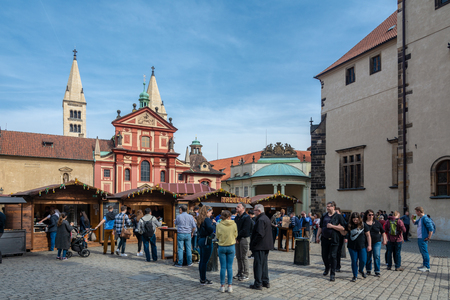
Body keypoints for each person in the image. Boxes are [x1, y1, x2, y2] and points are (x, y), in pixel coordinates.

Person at [316, 201, 346, 281]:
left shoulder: (338, 216)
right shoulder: (324, 215)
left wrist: (333, 226)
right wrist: (317, 236)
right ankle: (327, 267)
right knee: (324, 255)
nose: (327, 208)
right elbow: (321, 227)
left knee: (333, 256)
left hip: (334, 239)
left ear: (333, 207)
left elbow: (343, 228)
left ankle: (332, 274)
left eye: (329, 206)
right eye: (327, 206)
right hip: (325, 239)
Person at [249, 204, 272, 290]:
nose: (253, 212)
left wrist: (253, 243)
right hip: (265, 245)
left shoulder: (261, 219)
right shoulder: (265, 218)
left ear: (259, 211)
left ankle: (258, 283)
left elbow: (259, 234)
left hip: (260, 246)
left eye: (254, 210)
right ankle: (265, 281)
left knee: (258, 264)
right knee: (264, 264)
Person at [343, 212, 371, 282]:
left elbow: (368, 235)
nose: (355, 221)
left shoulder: (363, 225)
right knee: (354, 261)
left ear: (359, 218)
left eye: (356, 219)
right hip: (352, 246)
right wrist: (338, 228)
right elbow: (344, 233)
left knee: (363, 260)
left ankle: (361, 270)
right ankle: (355, 275)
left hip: (362, 246)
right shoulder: (349, 225)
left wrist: (369, 245)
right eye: (354, 220)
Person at [216, 210, 238, 293]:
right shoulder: (234, 224)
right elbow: (236, 235)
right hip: (231, 246)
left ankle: (222, 286)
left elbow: (217, 236)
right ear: (229, 216)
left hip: (222, 246)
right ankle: (230, 286)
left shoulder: (219, 225)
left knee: (222, 267)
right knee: (229, 267)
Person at [363, 209, 387, 277]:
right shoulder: (363, 223)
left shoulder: (377, 223)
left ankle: (377, 271)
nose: (371, 216)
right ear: (366, 215)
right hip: (366, 242)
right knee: (368, 256)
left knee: (377, 256)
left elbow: (383, 232)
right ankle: (368, 270)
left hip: (377, 241)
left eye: (372, 214)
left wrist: (384, 240)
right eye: (369, 215)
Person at [412, 206, 434, 272]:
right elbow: (415, 222)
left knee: (425, 252)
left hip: (423, 238)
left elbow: (431, 228)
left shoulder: (425, 218)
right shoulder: (421, 218)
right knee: (422, 252)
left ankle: (427, 267)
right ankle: (424, 265)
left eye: (416, 211)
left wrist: (429, 237)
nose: (415, 213)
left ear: (419, 211)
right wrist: (413, 218)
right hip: (420, 238)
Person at [234, 202, 253, 282]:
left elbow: (245, 230)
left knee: (244, 256)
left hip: (244, 238)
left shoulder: (246, 217)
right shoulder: (237, 217)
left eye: (238, 207)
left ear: (243, 208)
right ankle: (240, 272)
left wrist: (238, 237)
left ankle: (246, 273)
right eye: (237, 207)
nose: (236, 208)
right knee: (238, 256)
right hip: (237, 239)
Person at [197, 205, 216, 285]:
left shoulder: (199, 218)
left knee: (202, 261)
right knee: (205, 261)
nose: (211, 213)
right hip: (206, 241)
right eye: (211, 211)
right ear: (207, 211)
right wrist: (214, 224)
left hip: (201, 239)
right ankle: (203, 279)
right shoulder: (207, 219)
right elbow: (210, 229)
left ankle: (202, 278)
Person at [335, 207, 347, 272]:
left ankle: (338, 266)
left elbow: (345, 227)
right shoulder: (333, 217)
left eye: (337, 212)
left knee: (338, 252)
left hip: (340, 237)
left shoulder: (341, 218)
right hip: (334, 237)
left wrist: (346, 237)